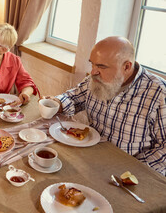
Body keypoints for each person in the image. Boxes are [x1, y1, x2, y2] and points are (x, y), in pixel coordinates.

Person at [48, 36, 165, 176]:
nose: (93, 72)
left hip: (126, 173)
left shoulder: (159, 94)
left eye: (101, 67)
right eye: (93, 64)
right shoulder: (95, 79)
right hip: (87, 158)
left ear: (126, 67)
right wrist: (57, 103)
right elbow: (73, 98)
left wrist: (133, 171)